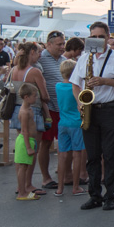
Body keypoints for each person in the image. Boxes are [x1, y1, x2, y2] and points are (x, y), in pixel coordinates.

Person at [71, 22, 114, 211]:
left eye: (100, 37)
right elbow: (75, 84)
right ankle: (94, 195)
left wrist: (104, 81)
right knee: (92, 155)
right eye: (93, 37)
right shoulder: (84, 58)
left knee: (110, 154)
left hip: (109, 109)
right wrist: (80, 102)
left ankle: (110, 195)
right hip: (90, 109)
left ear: (107, 37)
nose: (97, 40)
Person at [10, 42, 51, 194]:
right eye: (38, 52)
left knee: (21, 149)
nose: (40, 55)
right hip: (33, 111)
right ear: (31, 52)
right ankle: (28, 184)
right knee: (32, 148)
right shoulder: (34, 72)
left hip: (16, 110)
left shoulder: (13, 70)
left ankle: (20, 184)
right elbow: (45, 95)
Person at [35, 30, 65, 190]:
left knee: (64, 143)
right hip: (48, 108)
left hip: (63, 108)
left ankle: (64, 173)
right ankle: (46, 178)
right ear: (49, 44)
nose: (62, 47)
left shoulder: (64, 60)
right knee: (46, 143)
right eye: (59, 44)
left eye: (63, 43)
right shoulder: (41, 59)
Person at [55, 60, 86, 197]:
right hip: (76, 122)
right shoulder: (77, 88)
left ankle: (59, 188)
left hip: (63, 123)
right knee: (77, 154)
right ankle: (75, 186)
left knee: (62, 155)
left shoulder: (58, 86)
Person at [15, 83, 41, 201]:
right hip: (26, 140)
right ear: (26, 97)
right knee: (23, 167)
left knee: (25, 167)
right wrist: (28, 147)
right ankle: (22, 192)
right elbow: (24, 130)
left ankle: (24, 190)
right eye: (34, 96)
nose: (36, 98)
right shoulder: (25, 112)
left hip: (30, 140)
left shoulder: (29, 109)